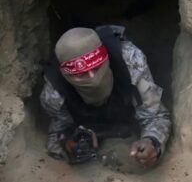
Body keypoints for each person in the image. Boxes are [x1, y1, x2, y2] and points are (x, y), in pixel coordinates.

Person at [40, 25, 171, 167]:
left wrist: (152, 141)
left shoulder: (130, 61)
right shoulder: (54, 93)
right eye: (81, 74)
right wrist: (69, 144)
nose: (93, 79)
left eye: (97, 68)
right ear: (66, 76)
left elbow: (156, 115)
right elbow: (58, 133)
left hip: (128, 118)